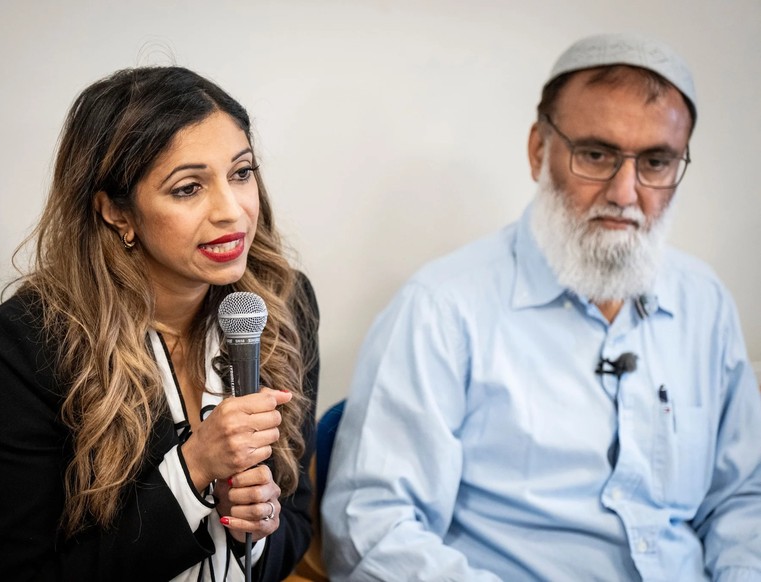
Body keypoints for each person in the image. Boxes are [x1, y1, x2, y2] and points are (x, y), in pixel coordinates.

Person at [321, 32, 761, 581]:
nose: (625, 192)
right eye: (596, 155)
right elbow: (372, 530)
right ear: (539, 150)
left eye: (656, 162)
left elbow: (742, 500)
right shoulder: (442, 309)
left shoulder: (705, 304)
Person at [0, 66, 320, 581]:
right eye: (189, 188)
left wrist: (255, 532)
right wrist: (192, 471)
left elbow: (297, 519)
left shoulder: (283, 306)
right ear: (116, 212)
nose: (232, 212)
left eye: (241, 173)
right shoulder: (27, 345)